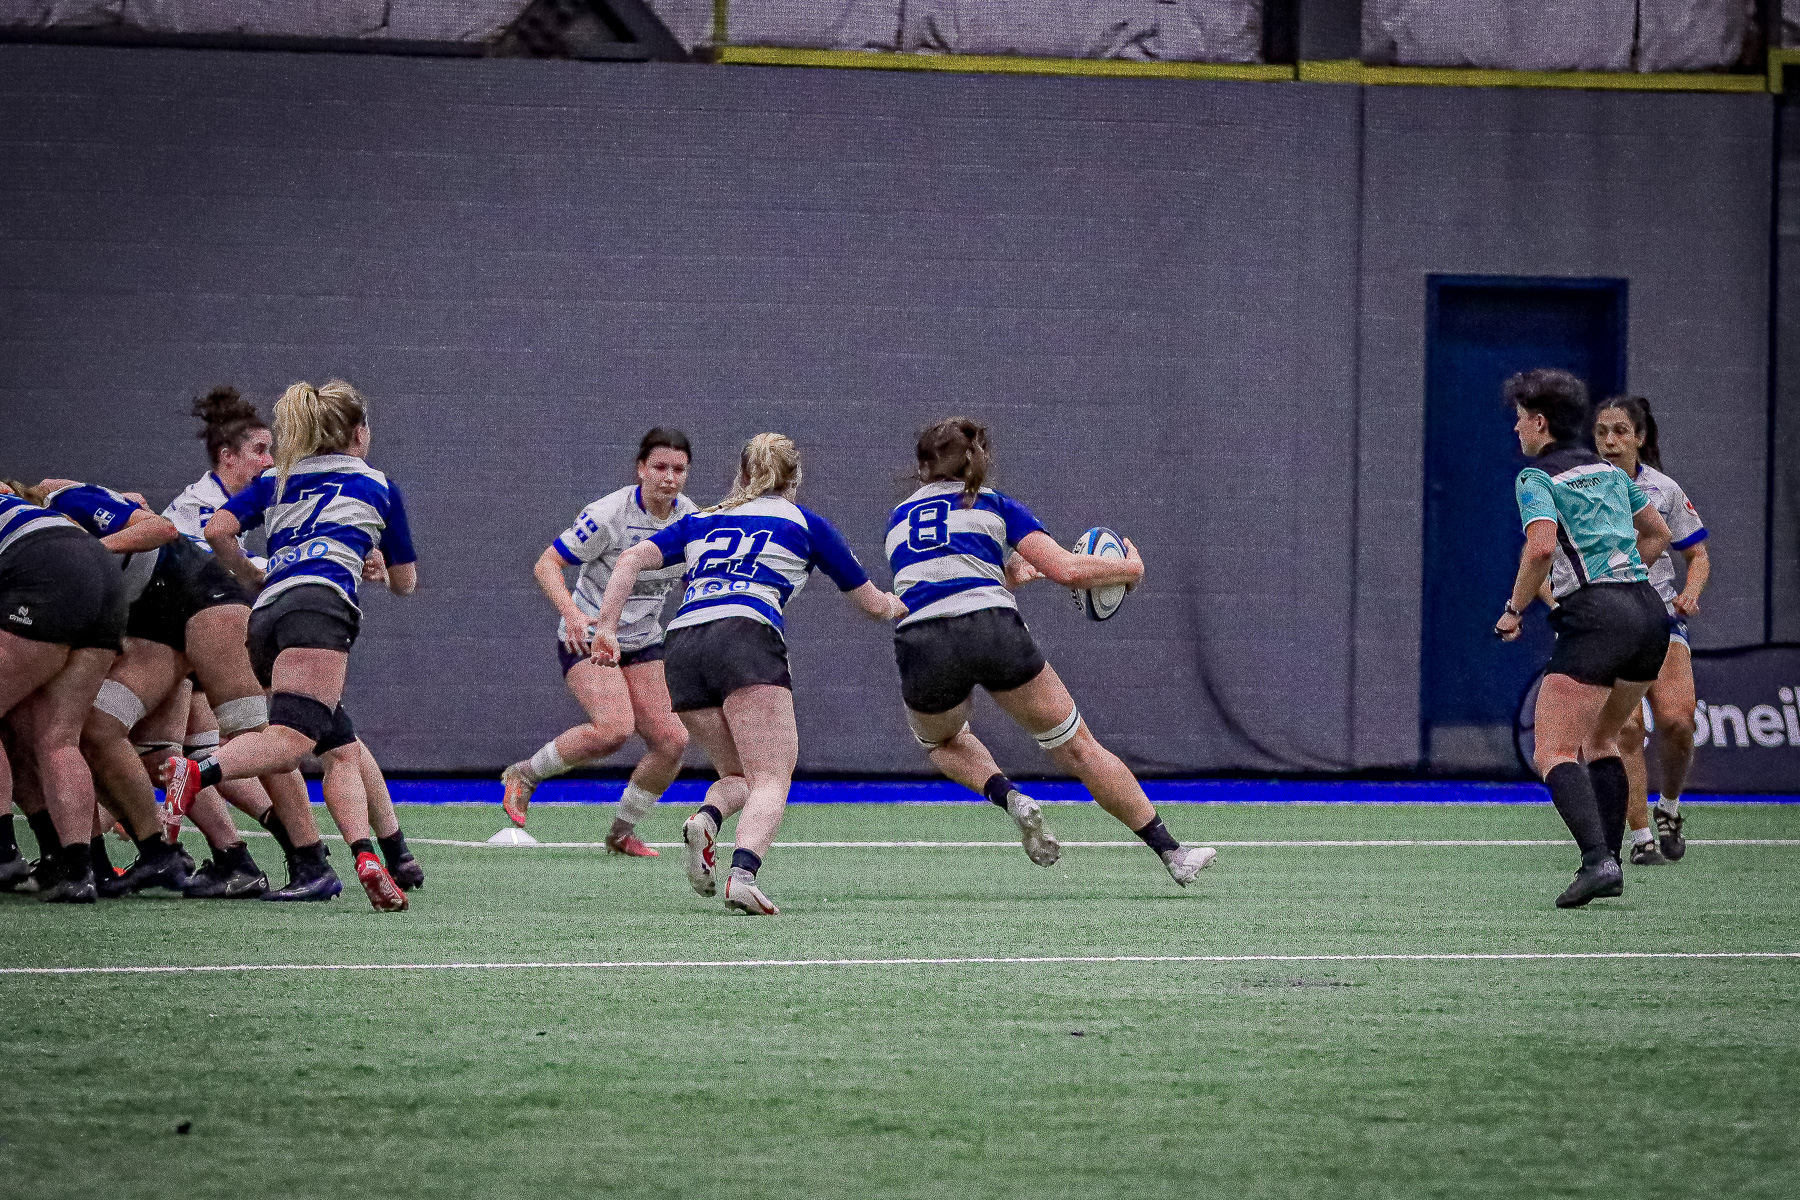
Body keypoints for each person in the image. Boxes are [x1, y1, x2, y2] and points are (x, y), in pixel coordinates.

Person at [884, 418, 1218, 886]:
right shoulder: (995, 504)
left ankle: (1010, 796)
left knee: (941, 743)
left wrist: (1004, 575)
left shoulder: (898, 521)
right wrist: (1130, 569)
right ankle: (1172, 852)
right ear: (980, 460)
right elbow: (1065, 569)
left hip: (923, 641)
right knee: (1079, 747)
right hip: (992, 629)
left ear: (922, 467)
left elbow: (940, 581)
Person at [590, 433, 905, 915]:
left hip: (683, 642)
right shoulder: (805, 523)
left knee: (738, 774)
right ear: (795, 478)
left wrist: (606, 629)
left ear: (741, 474)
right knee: (772, 777)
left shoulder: (701, 519)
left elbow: (630, 558)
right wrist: (903, 604)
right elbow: (872, 604)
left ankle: (707, 819)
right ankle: (742, 877)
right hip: (745, 634)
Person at [160, 379, 418, 911]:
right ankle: (199, 771)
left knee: (339, 745)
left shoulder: (278, 478)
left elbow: (218, 529)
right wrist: (370, 565)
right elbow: (405, 583)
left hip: (265, 616)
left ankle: (367, 857)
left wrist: (249, 575)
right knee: (290, 740)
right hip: (318, 611)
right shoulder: (379, 485)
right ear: (359, 433)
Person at [1494, 369, 1672, 909]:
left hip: (1597, 619)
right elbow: (1659, 533)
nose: (1516, 429)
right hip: (1649, 614)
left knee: (1551, 749)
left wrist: (1513, 610)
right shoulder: (1611, 472)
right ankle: (1609, 858)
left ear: (1539, 422)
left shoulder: (1536, 478)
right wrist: (1622, 582)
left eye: (1519, 419)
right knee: (1601, 739)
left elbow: (1540, 547)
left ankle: (1598, 861)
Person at [499, 428, 697, 855]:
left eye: (679, 469)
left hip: (643, 641)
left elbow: (693, 578)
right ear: (641, 468)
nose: (669, 478)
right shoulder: (609, 514)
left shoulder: (690, 520)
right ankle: (524, 775)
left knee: (672, 741)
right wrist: (572, 614)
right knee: (613, 729)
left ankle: (621, 834)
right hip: (590, 636)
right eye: (660, 467)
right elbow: (547, 563)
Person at [1592, 396, 1709, 865]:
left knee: (1678, 722)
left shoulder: (1664, 490)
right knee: (1626, 728)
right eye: (1601, 432)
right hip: (1608, 624)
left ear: (1639, 437)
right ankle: (1641, 839)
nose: (1610, 441)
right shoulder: (1579, 488)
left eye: (1620, 431)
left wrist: (1691, 593)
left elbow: (1697, 556)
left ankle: (1670, 808)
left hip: (1659, 619)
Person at [0, 483, 129, 902]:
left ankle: (3, 853)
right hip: (100, 569)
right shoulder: (21, 507)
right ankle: (75, 869)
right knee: (57, 739)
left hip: (46, 568)